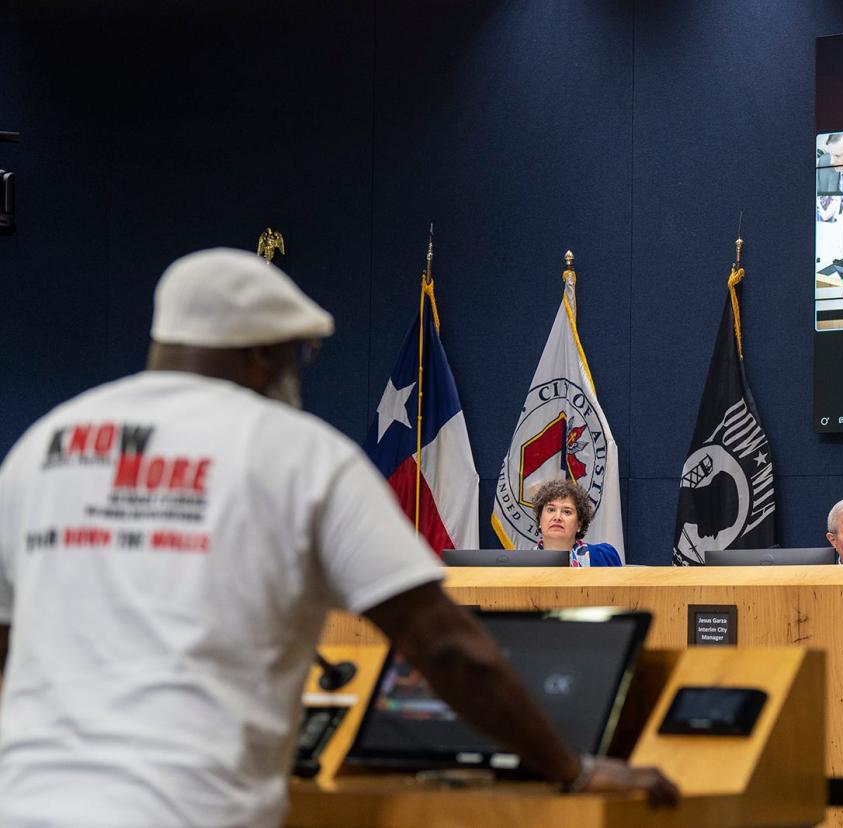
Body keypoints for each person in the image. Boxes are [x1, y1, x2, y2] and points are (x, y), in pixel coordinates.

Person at [0, 249, 676, 826]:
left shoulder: (47, 444)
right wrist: (571, 768)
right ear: (264, 352)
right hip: (191, 807)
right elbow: (444, 645)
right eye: (301, 352)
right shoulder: (296, 454)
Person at [532, 478, 622, 567]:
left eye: (567, 512)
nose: (557, 517)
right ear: (540, 519)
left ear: (579, 523)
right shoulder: (522, 564)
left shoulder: (602, 558)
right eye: (551, 510)